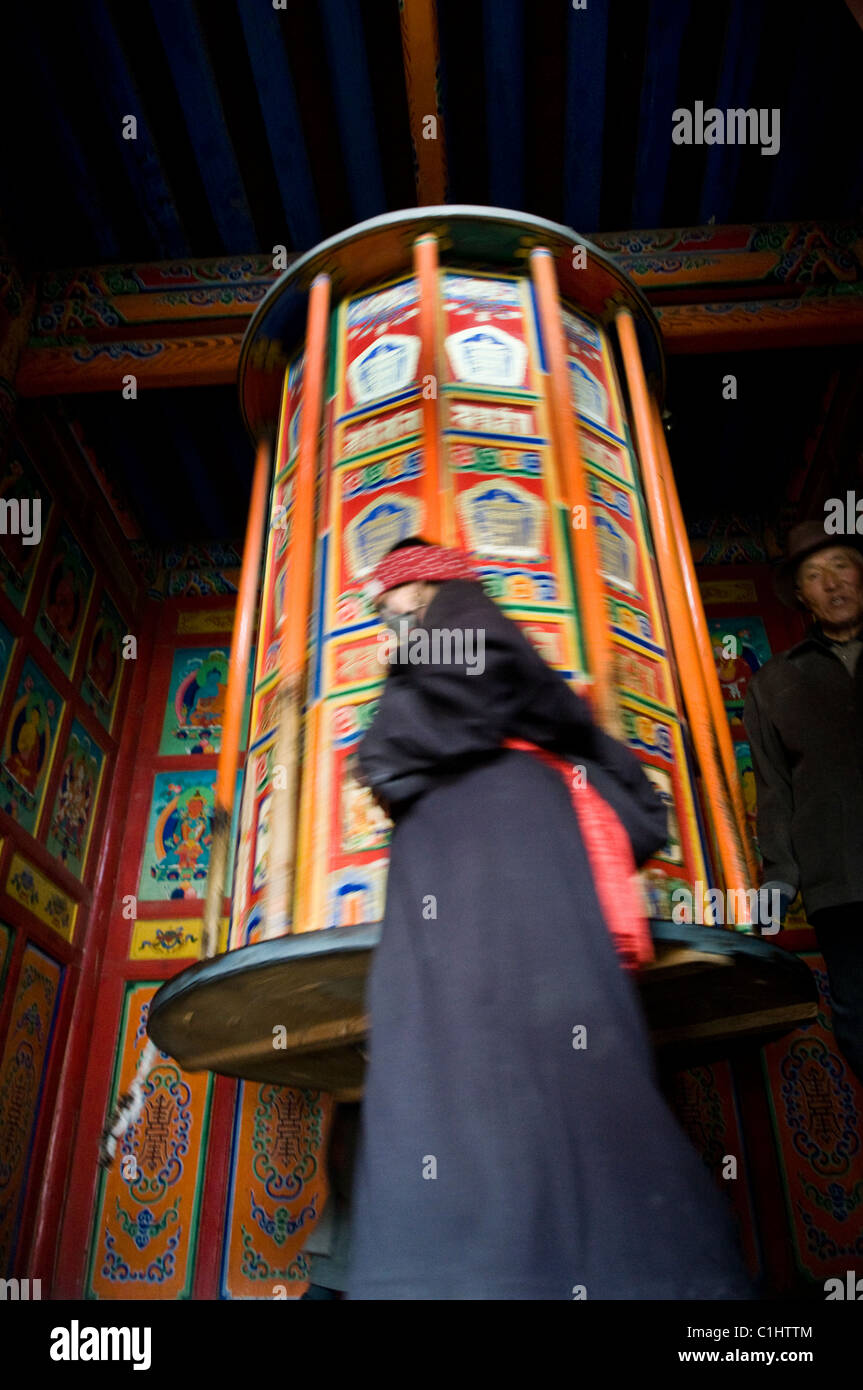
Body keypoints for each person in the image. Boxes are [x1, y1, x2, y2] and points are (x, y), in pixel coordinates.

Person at [344, 537, 753, 1300]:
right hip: (498, 848)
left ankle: (487, 1267)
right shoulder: (462, 629)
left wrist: (378, 756)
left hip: (484, 847)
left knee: (471, 1050)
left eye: (387, 596)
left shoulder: (457, 616)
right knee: (528, 1049)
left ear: (418, 584)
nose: (381, 611)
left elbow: (449, 711)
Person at [744, 518, 863, 1085]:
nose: (832, 583)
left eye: (841, 565)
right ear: (800, 596)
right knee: (858, 1022)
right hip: (839, 882)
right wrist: (779, 880)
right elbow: (774, 788)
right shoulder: (773, 682)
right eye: (814, 575)